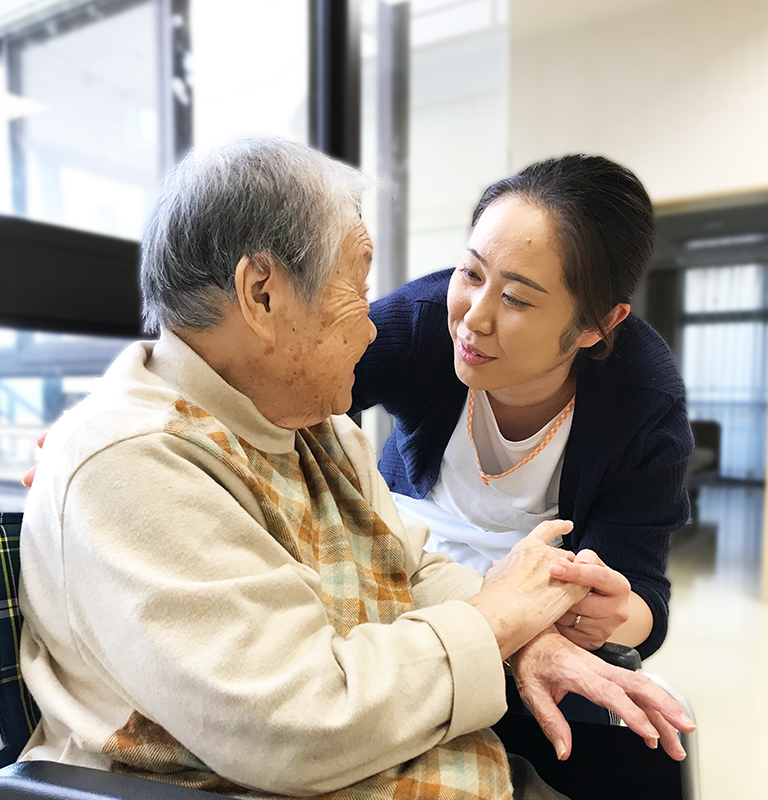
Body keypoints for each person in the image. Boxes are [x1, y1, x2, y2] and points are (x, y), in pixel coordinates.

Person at [19, 138, 693, 800]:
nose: (375, 327)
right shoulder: (141, 460)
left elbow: (408, 567)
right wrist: (497, 623)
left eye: (518, 298)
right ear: (262, 295)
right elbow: (294, 727)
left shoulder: (317, 422)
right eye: (358, 282)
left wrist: (532, 636)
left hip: (437, 749)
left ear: (593, 328)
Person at [351, 156, 693, 665]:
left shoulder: (643, 402)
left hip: (535, 603)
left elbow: (640, 594)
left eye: (515, 298)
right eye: (471, 272)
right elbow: (289, 385)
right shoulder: (421, 324)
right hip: (402, 555)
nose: (473, 318)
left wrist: (614, 612)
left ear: (596, 324)